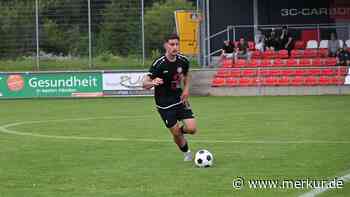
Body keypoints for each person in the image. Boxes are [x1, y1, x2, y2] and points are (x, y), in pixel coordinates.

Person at [143, 33, 197, 162]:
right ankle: (187, 152)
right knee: (176, 133)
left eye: (177, 44)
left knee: (192, 129)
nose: (175, 47)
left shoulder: (183, 60)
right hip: (164, 104)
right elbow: (144, 84)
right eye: (172, 44)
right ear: (165, 45)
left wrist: (186, 89)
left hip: (180, 99)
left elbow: (187, 75)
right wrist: (152, 83)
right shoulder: (159, 63)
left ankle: (177, 133)